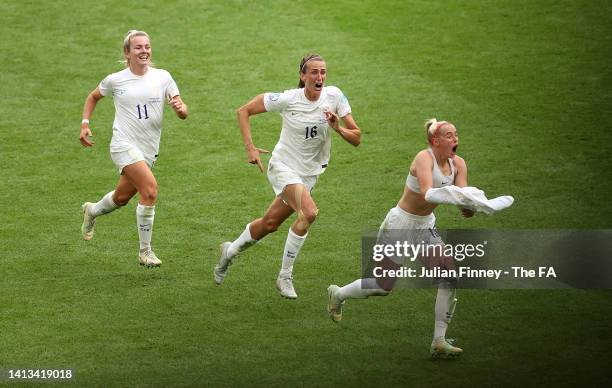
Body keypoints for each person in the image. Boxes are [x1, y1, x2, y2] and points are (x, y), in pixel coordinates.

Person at [213, 54, 361, 299]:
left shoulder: (335, 96)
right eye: (314, 72)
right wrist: (250, 147)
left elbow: (357, 138)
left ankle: (229, 253)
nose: (320, 77)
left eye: (323, 72)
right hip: (283, 167)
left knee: (270, 223)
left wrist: (337, 128)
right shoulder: (288, 99)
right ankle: (284, 276)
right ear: (303, 76)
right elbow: (244, 111)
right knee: (309, 213)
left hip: (309, 174)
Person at [327, 119, 473, 358]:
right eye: (449, 135)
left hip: (425, 226)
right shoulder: (423, 159)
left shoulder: (459, 164)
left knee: (449, 276)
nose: (455, 138)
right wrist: (461, 198)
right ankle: (339, 294)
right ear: (436, 140)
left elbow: (464, 203)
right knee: (384, 286)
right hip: (400, 225)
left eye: (456, 134)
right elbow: (428, 192)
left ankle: (438, 341)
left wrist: (471, 206)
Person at [79, 30, 188, 267]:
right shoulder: (115, 80)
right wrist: (85, 124)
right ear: (127, 53)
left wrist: (180, 109)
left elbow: (183, 110)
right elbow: (93, 97)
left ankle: (92, 211)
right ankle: (145, 252)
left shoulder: (163, 77)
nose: (144, 51)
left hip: (148, 150)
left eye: (147, 46)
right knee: (149, 190)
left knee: (121, 197)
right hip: (123, 145)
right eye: (138, 47)